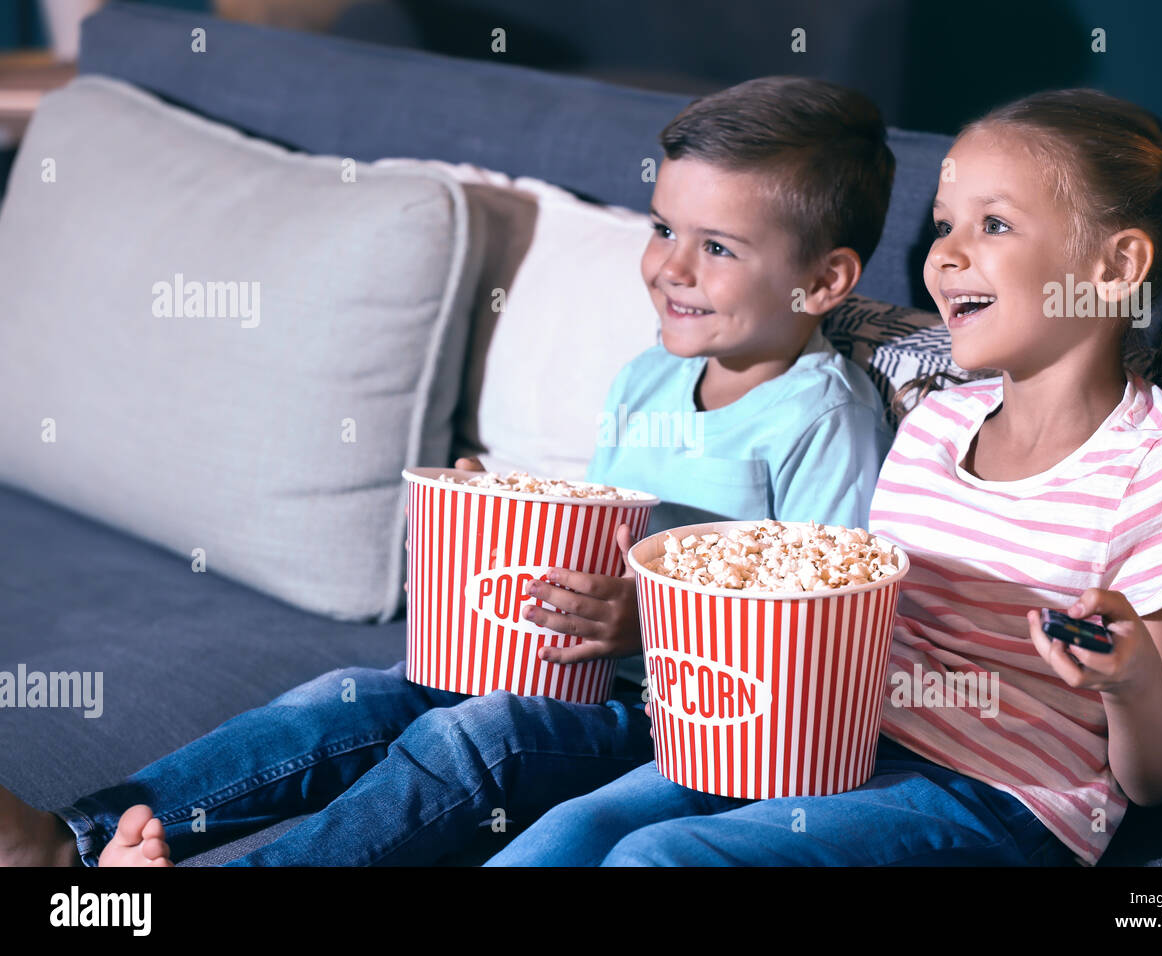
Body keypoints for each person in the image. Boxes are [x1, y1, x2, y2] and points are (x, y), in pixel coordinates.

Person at [0, 76, 895, 867]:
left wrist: (650, 625)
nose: (670, 266)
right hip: (558, 668)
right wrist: (505, 517)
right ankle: (74, 839)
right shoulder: (648, 372)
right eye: (663, 227)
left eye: (719, 248)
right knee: (347, 700)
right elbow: (612, 529)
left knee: (475, 740)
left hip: (683, 729)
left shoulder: (825, 417)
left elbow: (827, 642)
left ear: (821, 283)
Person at [485, 88, 1162, 867]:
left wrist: (1131, 680)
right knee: (576, 830)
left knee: (664, 857)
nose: (946, 254)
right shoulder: (934, 424)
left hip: (1002, 794)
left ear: (1116, 265)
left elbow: (1159, 780)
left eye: (992, 225)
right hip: (832, 742)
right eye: (943, 226)